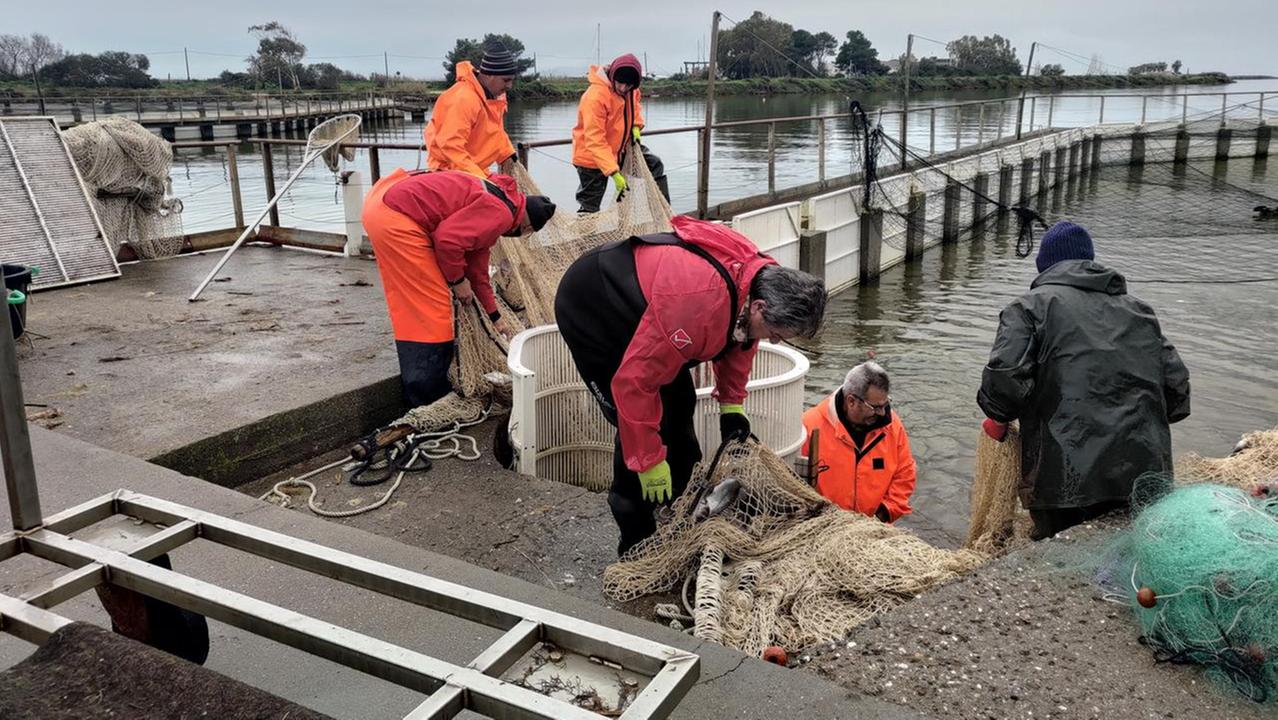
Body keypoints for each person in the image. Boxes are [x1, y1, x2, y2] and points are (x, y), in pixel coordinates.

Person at [554, 216, 827, 555]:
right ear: (759, 307)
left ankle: (681, 504)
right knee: (634, 423)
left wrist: (732, 406)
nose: (774, 341)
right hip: (594, 304)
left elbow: (739, 342)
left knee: (679, 401)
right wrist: (649, 460)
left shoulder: (757, 285)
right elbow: (634, 383)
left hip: (655, 304)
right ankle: (634, 531)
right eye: (777, 333)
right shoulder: (701, 302)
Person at [977, 221, 1191, 539]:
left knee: (1064, 565)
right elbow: (1178, 395)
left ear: (1044, 266)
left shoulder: (1028, 309)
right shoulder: (1140, 312)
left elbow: (1003, 387)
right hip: (1145, 476)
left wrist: (999, 414)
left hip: (1065, 482)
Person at [362, 168, 555, 408]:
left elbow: (477, 271)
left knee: (419, 301)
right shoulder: (501, 214)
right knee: (430, 308)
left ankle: (429, 383)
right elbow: (447, 240)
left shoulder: (501, 199)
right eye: (527, 233)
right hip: (395, 215)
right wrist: (456, 281)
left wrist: (495, 317)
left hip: (383, 196)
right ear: (528, 227)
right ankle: (427, 397)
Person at [801, 362, 917, 522]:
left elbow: (905, 474)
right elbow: (794, 486)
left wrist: (882, 514)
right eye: (875, 407)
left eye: (885, 404)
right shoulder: (808, 426)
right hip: (824, 528)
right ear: (851, 402)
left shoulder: (893, 426)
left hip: (875, 528)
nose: (883, 413)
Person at [570, 53, 669, 214]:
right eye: (620, 83)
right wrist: (613, 172)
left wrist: (636, 126)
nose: (623, 89)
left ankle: (663, 215)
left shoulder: (632, 90)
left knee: (654, 165)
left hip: (621, 148)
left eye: (628, 86)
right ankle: (586, 237)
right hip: (591, 157)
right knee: (590, 205)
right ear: (613, 76)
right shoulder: (595, 97)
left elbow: (634, 106)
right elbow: (594, 140)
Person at [424, 48, 519, 178]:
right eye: (506, 80)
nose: (509, 86)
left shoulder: (495, 96)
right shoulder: (463, 98)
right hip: (448, 174)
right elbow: (450, 146)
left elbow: (496, 131)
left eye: (512, 80)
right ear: (489, 75)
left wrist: (507, 153)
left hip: (474, 170)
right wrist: (481, 180)